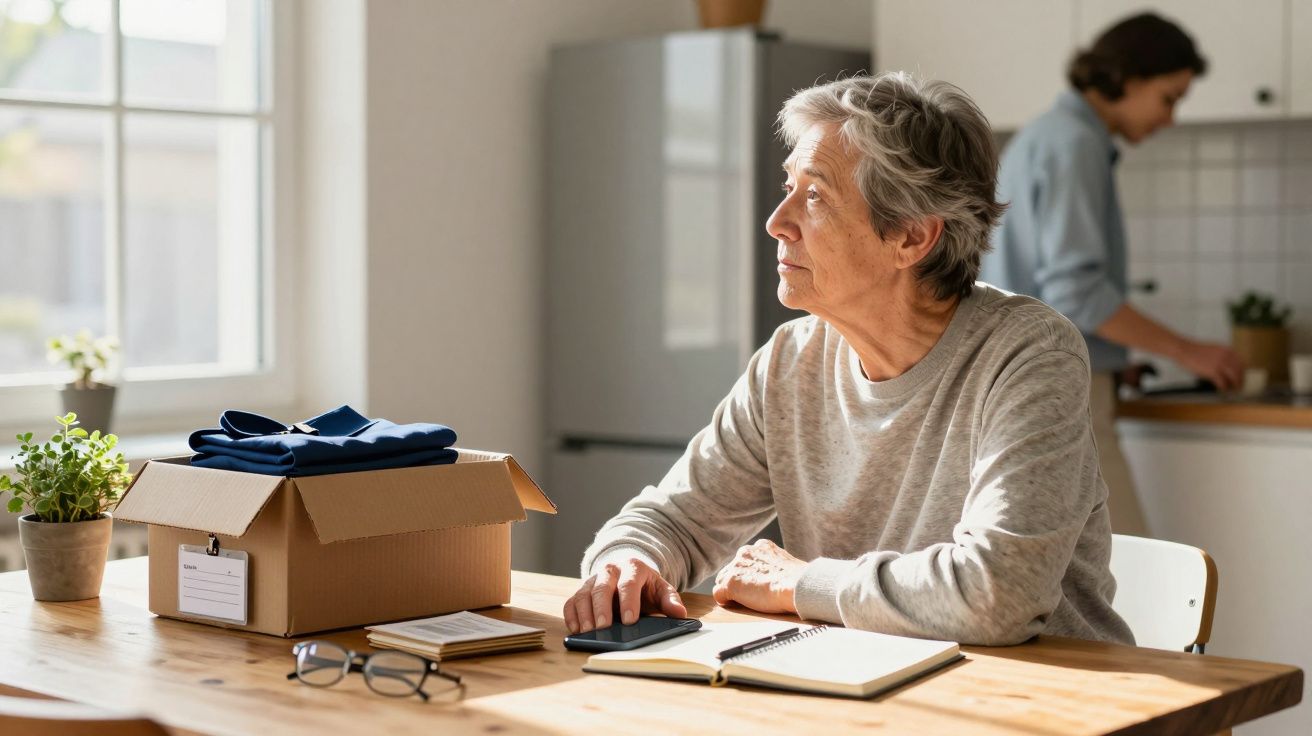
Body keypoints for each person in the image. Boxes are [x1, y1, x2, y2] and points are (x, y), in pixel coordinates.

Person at [562, 72, 1134, 647]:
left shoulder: (1027, 354)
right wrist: (627, 560)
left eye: (814, 196)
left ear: (911, 237)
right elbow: (674, 520)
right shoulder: (791, 361)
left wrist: (801, 582)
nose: (776, 222)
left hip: (1051, 703)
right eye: (788, 187)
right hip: (871, 693)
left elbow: (998, 593)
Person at [980, 13, 1244, 536]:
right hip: (1054, 389)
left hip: (1024, 383)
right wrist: (1193, 353)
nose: (1170, 118)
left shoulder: (1048, 136)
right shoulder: (1074, 144)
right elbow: (1076, 292)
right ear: (1126, 78)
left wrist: (1109, 358)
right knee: (1126, 568)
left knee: (1073, 573)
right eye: (1169, 98)